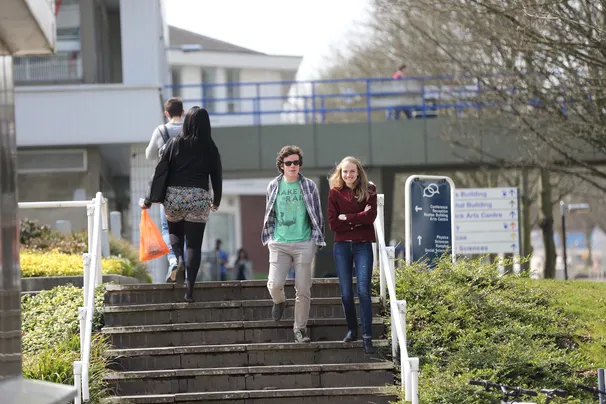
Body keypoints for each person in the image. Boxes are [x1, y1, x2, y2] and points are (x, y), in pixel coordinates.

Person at [145, 106, 222, 302]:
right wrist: (217, 200)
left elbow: (160, 171)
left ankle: (178, 259)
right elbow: (217, 177)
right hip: (199, 197)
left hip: (174, 197)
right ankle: (189, 291)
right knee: (194, 245)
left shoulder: (174, 143)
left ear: (187, 122)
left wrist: (150, 198)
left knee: (174, 233)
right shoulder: (211, 148)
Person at [261, 145, 325, 343]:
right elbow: (269, 213)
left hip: (304, 243)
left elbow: (317, 214)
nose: (293, 166)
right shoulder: (273, 186)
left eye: (296, 162)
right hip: (279, 243)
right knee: (274, 284)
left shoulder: (309, 186)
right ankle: (279, 301)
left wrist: (314, 241)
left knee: (303, 289)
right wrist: (271, 238)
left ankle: (300, 330)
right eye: (288, 163)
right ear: (281, 165)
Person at [327, 156, 377, 354]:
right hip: (342, 247)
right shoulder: (334, 193)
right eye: (345, 171)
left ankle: (367, 337)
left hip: (363, 245)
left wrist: (346, 217)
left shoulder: (369, 190)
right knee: (346, 293)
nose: (348, 175)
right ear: (340, 173)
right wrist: (358, 218)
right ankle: (352, 329)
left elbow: (370, 217)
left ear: (358, 173)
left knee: (363, 290)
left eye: (352, 171)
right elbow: (333, 224)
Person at [145, 97, 184, 282]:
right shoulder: (190, 130)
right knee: (186, 230)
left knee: (167, 229)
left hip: (168, 192)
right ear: (183, 112)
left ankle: (174, 259)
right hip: (189, 189)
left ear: (166, 114)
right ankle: (185, 265)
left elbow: (149, 155)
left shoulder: (161, 130)